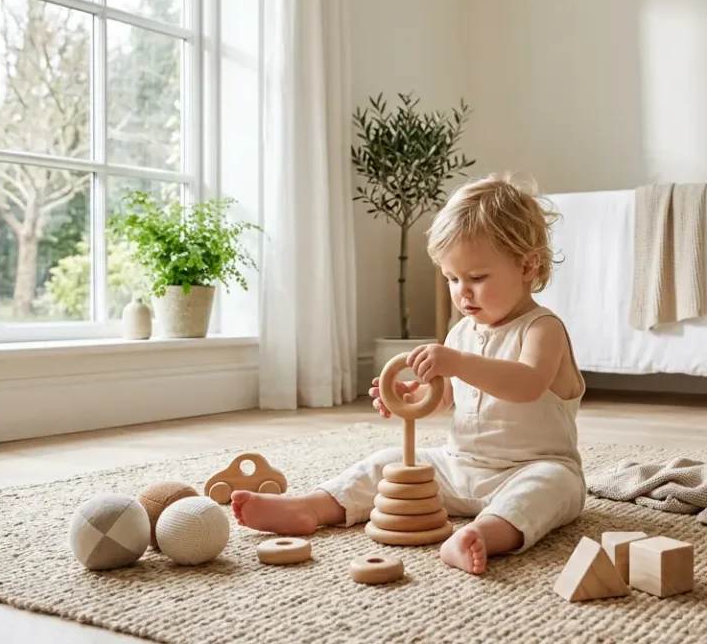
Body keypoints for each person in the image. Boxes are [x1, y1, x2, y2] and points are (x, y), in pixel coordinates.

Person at [232, 172, 586, 574]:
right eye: (452, 278)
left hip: (533, 467)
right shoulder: (461, 332)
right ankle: (311, 507)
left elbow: (527, 385)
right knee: (390, 462)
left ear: (528, 266)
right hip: (460, 467)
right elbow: (450, 397)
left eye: (477, 278)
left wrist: (457, 363)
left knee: (547, 489)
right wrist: (410, 395)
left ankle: (481, 535)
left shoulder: (543, 329)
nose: (462, 292)